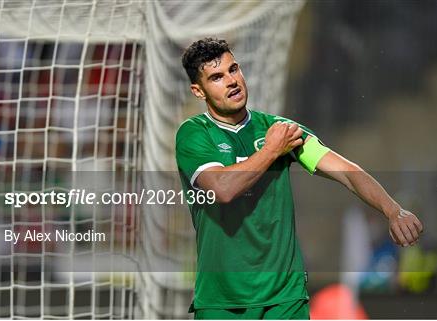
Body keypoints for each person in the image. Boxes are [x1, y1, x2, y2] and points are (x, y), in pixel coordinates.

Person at [175, 38, 423, 320]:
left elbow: (346, 171)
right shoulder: (194, 134)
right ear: (199, 90)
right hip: (223, 301)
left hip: (285, 298)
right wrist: (271, 151)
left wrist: (392, 209)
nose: (232, 81)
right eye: (217, 77)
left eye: (234, 69)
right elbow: (222, 188)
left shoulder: (281, 130)